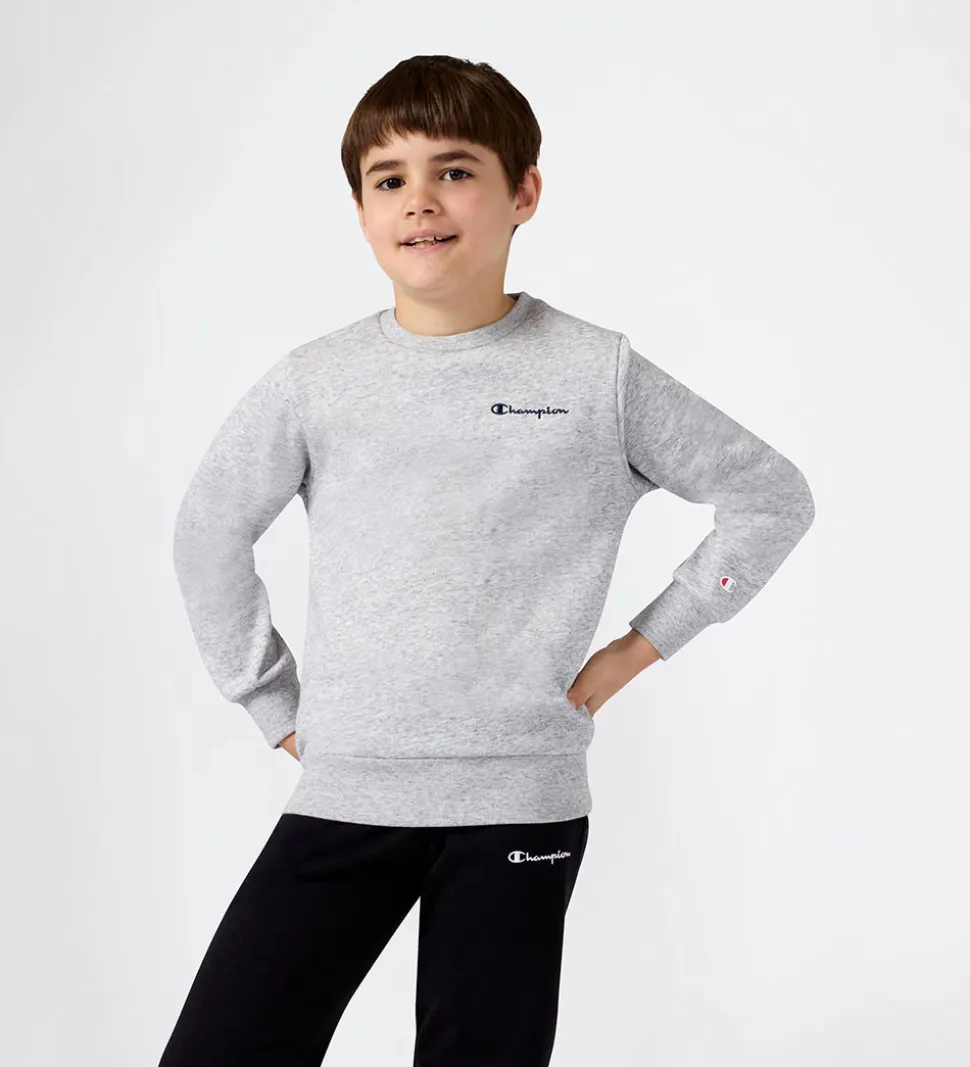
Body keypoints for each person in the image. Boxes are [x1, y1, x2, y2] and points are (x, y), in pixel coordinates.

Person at [160, 54, 815, 1067]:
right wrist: (270, 699)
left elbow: (772, 496)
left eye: (455, 171)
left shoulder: (597, 374)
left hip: (522, 798)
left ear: (524, 193)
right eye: (389, 179)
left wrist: (640, 646)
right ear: (362, 211)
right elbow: (208, 528)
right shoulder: (316, 381)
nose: (420, 200)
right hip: (350, 789)